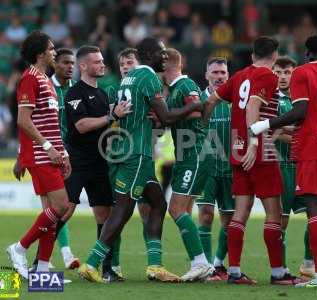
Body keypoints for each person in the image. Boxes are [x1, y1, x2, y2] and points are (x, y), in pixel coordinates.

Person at [78, 37, 202, 283]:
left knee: (158, 204)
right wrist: (196, 105)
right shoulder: (147, 78)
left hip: (136, 154)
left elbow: (147, 114)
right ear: (149, 54)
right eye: (161, 53)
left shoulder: (130, 77)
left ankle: (155, 265)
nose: (164, 57)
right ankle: (91, 263)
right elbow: (166, 117)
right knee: (122, 210)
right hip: (136, 154)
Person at [250, 35, 317, 288]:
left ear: (307, 53)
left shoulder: (302, 73)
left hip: (312, 148)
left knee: (315, 211)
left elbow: (300, 111)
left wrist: (264, 124)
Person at [203, 36, 301, 286]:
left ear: (252, 55)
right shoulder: (267, 76)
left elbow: (212, 99)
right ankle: (278, 273)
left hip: (236, 147)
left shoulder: (238, 76)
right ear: (275, 55)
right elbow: (253, 107)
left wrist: (202, 125)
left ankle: (234, 271)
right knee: (274, 214)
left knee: (240, 212)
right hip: (260, 149)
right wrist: (255, 141)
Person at [106, 47, 180, 282]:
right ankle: (112, 266)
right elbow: (104, 127)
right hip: (122, 158)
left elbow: (158, 130)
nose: (125, 66)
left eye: (129, 62)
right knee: (119, 210)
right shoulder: (112, 91)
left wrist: (156, 122)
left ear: (138, 63)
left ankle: (153, 264)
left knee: (148, 208)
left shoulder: (144, 90)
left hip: (142, 158)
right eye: (122, 64)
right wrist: (113, 115)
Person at [6, 30, 71, 279]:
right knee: (61, 206)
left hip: (52, 154)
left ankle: (43, 270)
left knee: (52, 213)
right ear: (41, 53)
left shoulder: (46, 79)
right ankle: (19, 248)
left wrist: (63, 153)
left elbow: (50, 124)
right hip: (41, 154)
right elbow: (24, 120)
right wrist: (47, 149)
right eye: (52, 48)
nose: (55, 52)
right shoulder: (30, 78)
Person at [64, 45, 130, 282]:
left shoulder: (102, 94)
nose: (103, 64)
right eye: (97, 61)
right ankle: (39, 262)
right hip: (78, 162)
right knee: (65, 210)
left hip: (100, 162)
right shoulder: (74, 93)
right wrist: (112, 116)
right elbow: (81, 126)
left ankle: (108, 269)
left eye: (102, 60)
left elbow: (107, 124)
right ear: (83, 66)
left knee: (105, 214)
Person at [163, 48, 214, 282]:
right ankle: (200, 264)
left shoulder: (185, 85)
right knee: (184, 209)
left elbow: (196, 111)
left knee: (176, 209)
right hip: (188, 154)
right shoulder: (174, 88)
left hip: (195, 153)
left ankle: (201, 262)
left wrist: (167, 115)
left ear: (167, 65)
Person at [272, 57, 314, 279]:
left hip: (304, 165)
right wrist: (302, 134)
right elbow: (275, 134)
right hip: (282, 166)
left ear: (294, 74)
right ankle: (281, 268)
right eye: (278, 72)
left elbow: (286, 130)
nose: (282, 77)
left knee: (315, 215)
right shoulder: (272, 100)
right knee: (282, 221)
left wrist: (290, 130)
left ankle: (309, 263)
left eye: (287, 72)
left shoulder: (302, 98)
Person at [194, 57, 234, 281]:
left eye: (223, 73)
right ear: (207, 75)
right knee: (206, 215)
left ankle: (218, 264)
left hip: (231, 168)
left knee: (229, 220)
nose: (219, 76)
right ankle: (206, 266)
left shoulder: (236, 100)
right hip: (205, 167)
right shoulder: (198, 99)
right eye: (215, 72)